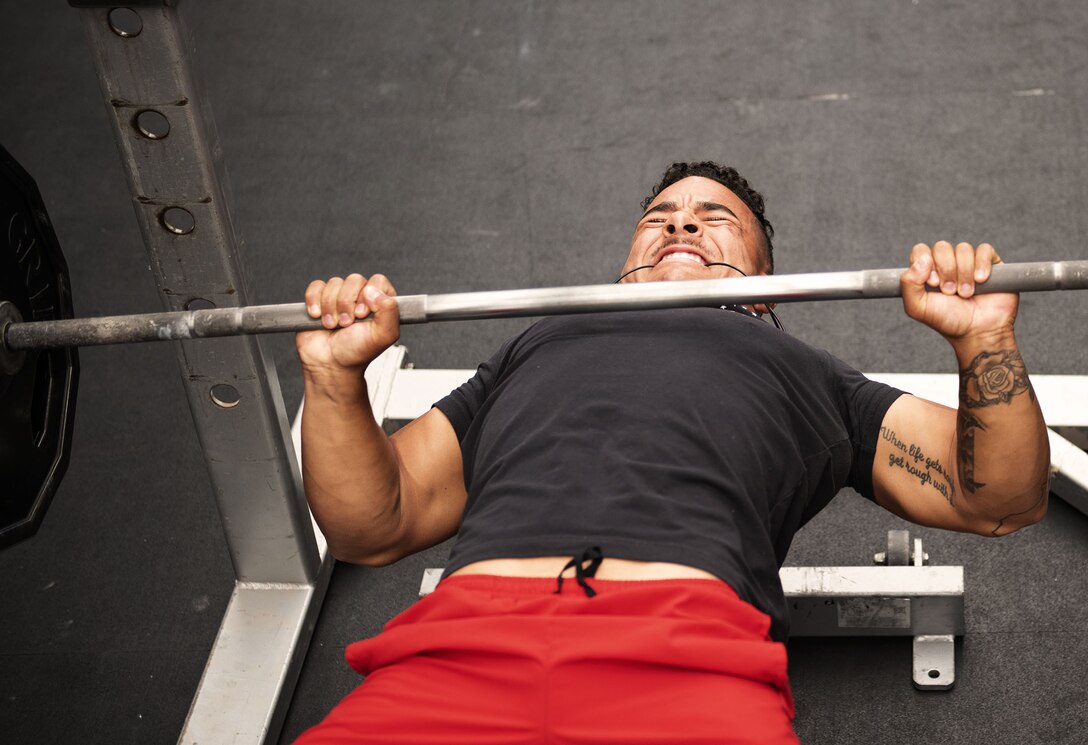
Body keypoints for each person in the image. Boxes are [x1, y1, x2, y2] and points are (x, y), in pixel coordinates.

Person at [293, 161, 1050, 744]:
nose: (681, 223)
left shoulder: (808, 374)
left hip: (686, 653)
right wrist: (333, 377)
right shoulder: (536, 344)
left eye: (714, 218)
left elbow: (1000, 498)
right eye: (659, 217)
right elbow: (372, 524)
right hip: (460, 648)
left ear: (766, 287)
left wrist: (984, 339)